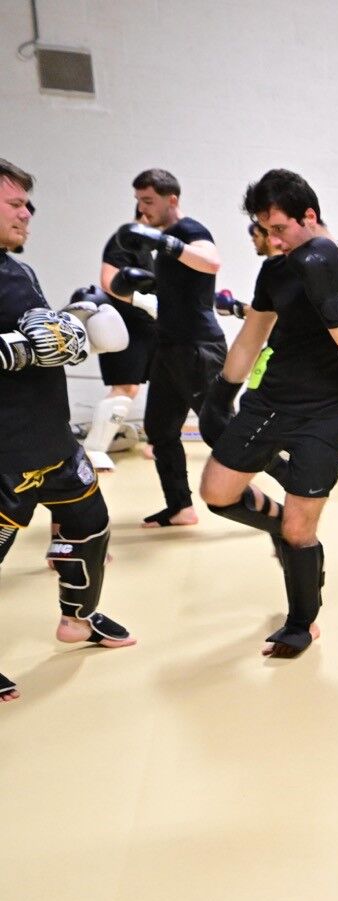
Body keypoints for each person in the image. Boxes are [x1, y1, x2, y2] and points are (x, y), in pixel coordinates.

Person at [196, 169, 338, 659]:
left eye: (279, 228)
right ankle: (278, 524)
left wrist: (327, 298)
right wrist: (222, 392)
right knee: (216, 492)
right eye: (266, 230)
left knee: (301, 533)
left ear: (310, 216)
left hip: (326, 412)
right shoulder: (275, 272)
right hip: (270, 401)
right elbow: (251, 337)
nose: (273, 241)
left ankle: (302, 621)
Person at [0, 157, 139, 695]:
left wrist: (69, 325)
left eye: (28, 204)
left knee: (90, 527)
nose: (27, 213)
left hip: (52, 441)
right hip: (4, 456)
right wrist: (13, 350)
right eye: (15, 203)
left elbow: (39, 341)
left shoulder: (17, 270)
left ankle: (78, 620)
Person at [103, 169, 226, 528]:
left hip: (198, 345)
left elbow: (211, 261)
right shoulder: (162, 243)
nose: (142, 209)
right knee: (159, 430)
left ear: (171, 199)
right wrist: (147, 286)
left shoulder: (188, 230)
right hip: (169, 345)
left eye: (148, 201)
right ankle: (180, 507)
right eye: (138, 201)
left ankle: (284, 488)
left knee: (221, 430)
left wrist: (164, 243)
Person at [80, 216, 160, 471]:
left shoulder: (149, 248)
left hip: (148, 328)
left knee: (165, 384)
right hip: (125, 328)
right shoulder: (124, 241)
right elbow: (109, 280)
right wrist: (144, 301)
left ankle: (157, 442)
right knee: (126, 388)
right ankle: (93, 449)